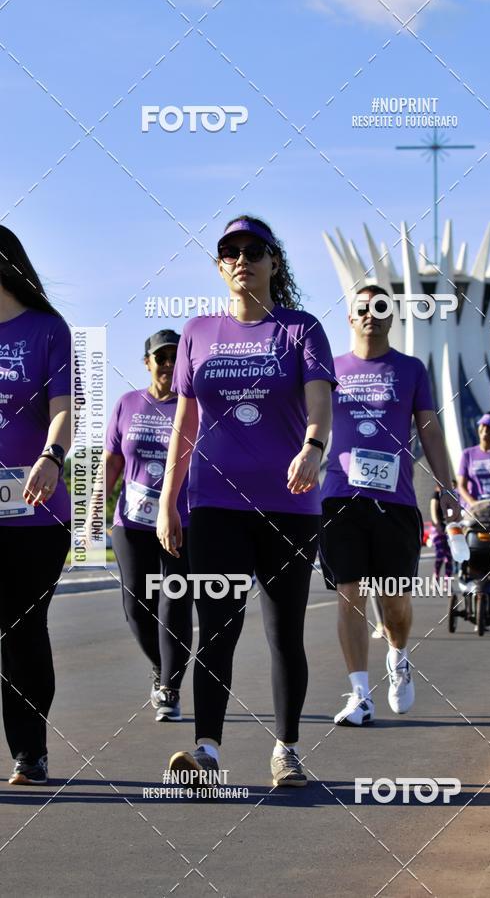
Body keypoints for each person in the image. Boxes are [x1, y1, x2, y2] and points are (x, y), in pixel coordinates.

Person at [157, 215, 334, 786]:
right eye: (230, 252)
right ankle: (206, 753)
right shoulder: (197, 332)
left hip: (289, 505)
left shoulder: (301, 329)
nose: (242, 260)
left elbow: (320, 403)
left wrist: (312, 449)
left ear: (274, 262)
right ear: (219, 266)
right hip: (214, 506)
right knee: (216, 627)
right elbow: (184, 424)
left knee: (284, 632)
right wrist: (168, 500)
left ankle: (287, 750)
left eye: (254, 250)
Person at [319, 285, 459, 726]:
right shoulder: (329, 369)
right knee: (350, 593)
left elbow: (430, 430)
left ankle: (398, 657)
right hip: (340, 497)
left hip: (394, 501)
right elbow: (306, 423)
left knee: (394, 602)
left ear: (391, 316)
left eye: (380, 308)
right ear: (350, 317)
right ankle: (360, 694)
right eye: (362, 308)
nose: (371, 315)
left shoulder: (410, 369)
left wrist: (447, 486)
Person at [0, 226, 71, 785]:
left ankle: (30, 751)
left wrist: (52, 456)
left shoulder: (48, 330)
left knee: (21, 629)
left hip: (36, 510)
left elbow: (63, 409)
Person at [104, 330, 193, 722]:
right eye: (161, 358)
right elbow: (112, 461)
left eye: (176, 357)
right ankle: (161, 666)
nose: (169, 364)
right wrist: (93, 507)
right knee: (136, 606)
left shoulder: (194, 406)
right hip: (132, 521)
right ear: (147, 363)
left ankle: (170, 687)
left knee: (174, 600)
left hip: (181, 520)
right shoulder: (127, 404)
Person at [457, 413, 490, 509]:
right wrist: (473, 503)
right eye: (483, 425)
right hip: (476, 510)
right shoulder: (468, 454)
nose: (485, 429)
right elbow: (461, 486)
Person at [430, 486, 453, 582]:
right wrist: (437, 525)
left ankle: (447, 581)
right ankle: (435, 575)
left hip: (448, 528)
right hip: (438, 529)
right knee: (440, 554)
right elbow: (433, 511)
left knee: (448, 557)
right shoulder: (436, 495)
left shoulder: (449, 496)